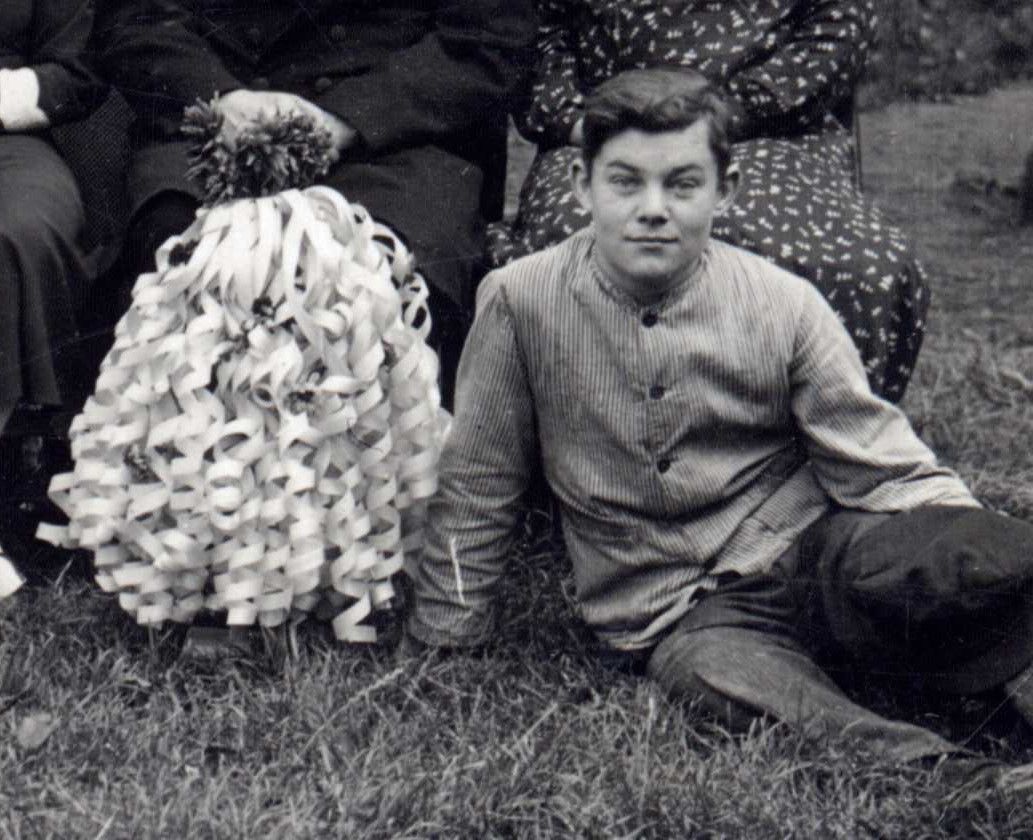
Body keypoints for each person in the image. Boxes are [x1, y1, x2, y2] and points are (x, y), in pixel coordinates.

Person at [404, 69, 1033, 791]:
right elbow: (480, 480)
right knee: (715, 677)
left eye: (682, 185)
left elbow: (881, 459)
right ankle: (950, 774)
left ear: (724, 190)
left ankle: (993, 678)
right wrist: (446, 639)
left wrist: (968, 553)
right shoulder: (520, 301)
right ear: (581, 186)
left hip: (814, 551)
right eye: (624, 182)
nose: (652, 210)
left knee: (972, 558)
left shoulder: (782, 302)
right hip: (678, 609)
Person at [93, 0, 537, 404]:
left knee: (374, 278)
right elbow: (137, 17)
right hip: (222, 120)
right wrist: (223, 98)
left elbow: (487, 43)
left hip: (392, 137)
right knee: (179, 256)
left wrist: (344, 118)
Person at [489, 0, 925, 403]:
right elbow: (539, 34)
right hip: (609, 130)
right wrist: (580, 121)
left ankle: (811, 434)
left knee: (856, 264)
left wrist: (725, 114)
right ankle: (597, 431)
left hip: (772, 132)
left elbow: (838, 27)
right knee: (564, 245)